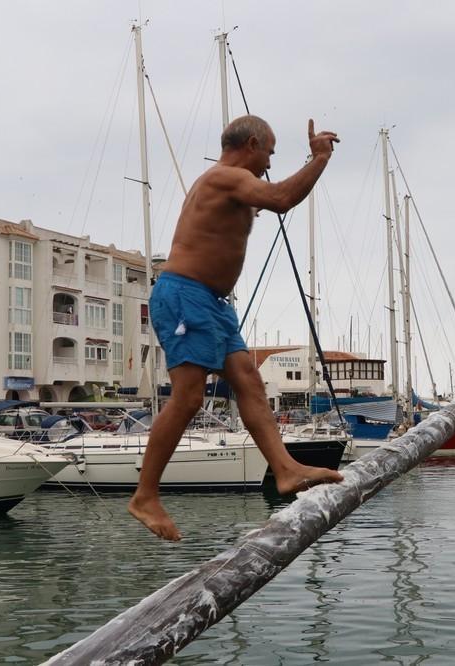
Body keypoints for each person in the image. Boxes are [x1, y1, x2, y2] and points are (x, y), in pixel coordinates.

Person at [128, 115, 343, 541]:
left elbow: (270, 196)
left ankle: (284, 469)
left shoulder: (230, 184)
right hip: (185, 294)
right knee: (189, 396)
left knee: (248, 380)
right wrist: (319, 158)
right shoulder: (223, 178)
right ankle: (144, 496)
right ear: (251, 144)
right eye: (269, 153)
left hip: (212, 302)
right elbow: (281, 198)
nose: (268, 164)